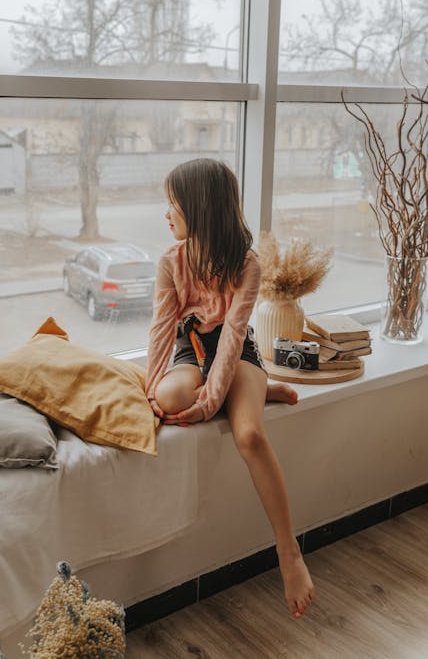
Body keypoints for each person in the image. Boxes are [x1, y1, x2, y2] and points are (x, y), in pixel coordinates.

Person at [145, 158, 315, 619]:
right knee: (170, 398)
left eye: (173, 205)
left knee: (249, 435)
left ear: (198, 209)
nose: (167, 214)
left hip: (235, 353)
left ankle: (289, 552)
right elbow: (162, 333)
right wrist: (149, 393)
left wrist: (210, 405)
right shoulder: (170, 262)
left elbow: (234, 337)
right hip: (190, 347)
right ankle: (260, 391)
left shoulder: (246, 265)